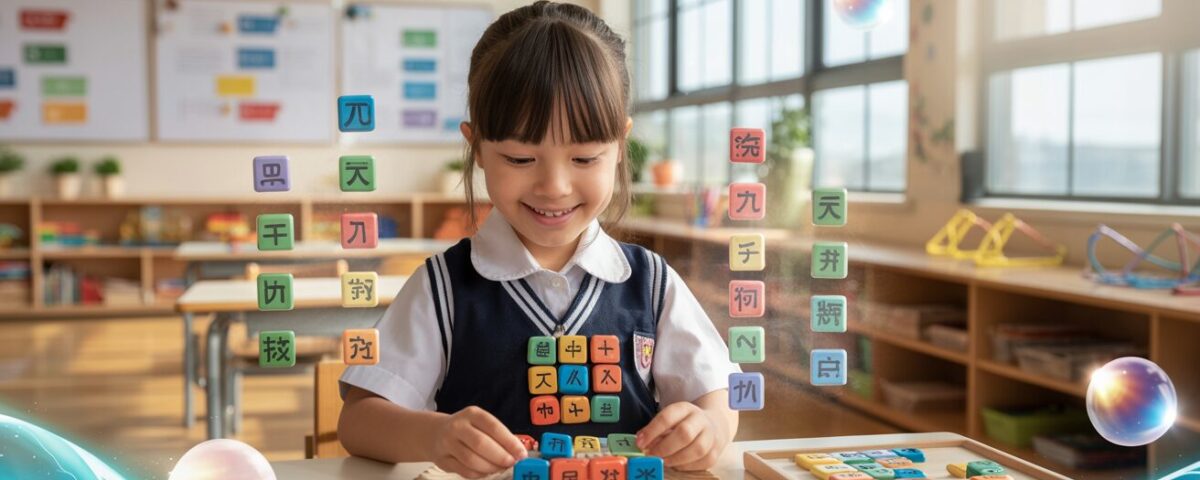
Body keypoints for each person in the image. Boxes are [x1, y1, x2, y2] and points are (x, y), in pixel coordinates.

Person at [337, 2, 739, 477]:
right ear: (478, 149)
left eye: (585, 158)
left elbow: (717, 394)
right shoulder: (443, 288)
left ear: (619, 146)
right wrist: (433, 435)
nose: (555, 186)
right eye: (521, 159)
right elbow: (359, 420)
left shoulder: (651, 283)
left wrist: (708, 427)